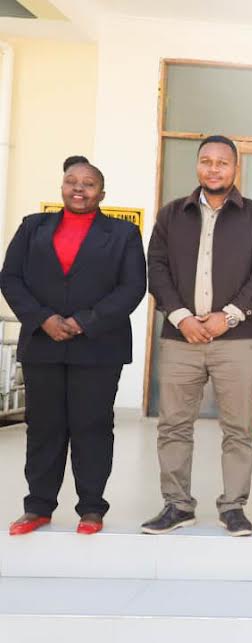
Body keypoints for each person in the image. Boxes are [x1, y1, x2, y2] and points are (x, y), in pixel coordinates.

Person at [143, 135, 252, 536]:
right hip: (180, 338)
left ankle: (233, 507)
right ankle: (177, 505)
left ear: (236, 168)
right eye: (206, 161)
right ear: (198, 166)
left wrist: (229, 316)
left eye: (222, 162)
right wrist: (181, 317)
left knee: (239, 428)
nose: (214, 169)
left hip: (236, 339)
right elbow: (156, 267)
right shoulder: (171, 215)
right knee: (173, 425)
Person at [1, 157, 146, 535]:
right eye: (71, 181)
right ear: (62, 186)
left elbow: (132, 287)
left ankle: (92, 509)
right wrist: (43, 318)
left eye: (88, 183)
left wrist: (86, 321)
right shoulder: (32, 227)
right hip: (43, 343)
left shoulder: (123, 234)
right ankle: (38, 507)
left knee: (91, 426)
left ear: (102, 193)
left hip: (98, 347)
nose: (78, 188)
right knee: (43, 427)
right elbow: (10, 278)